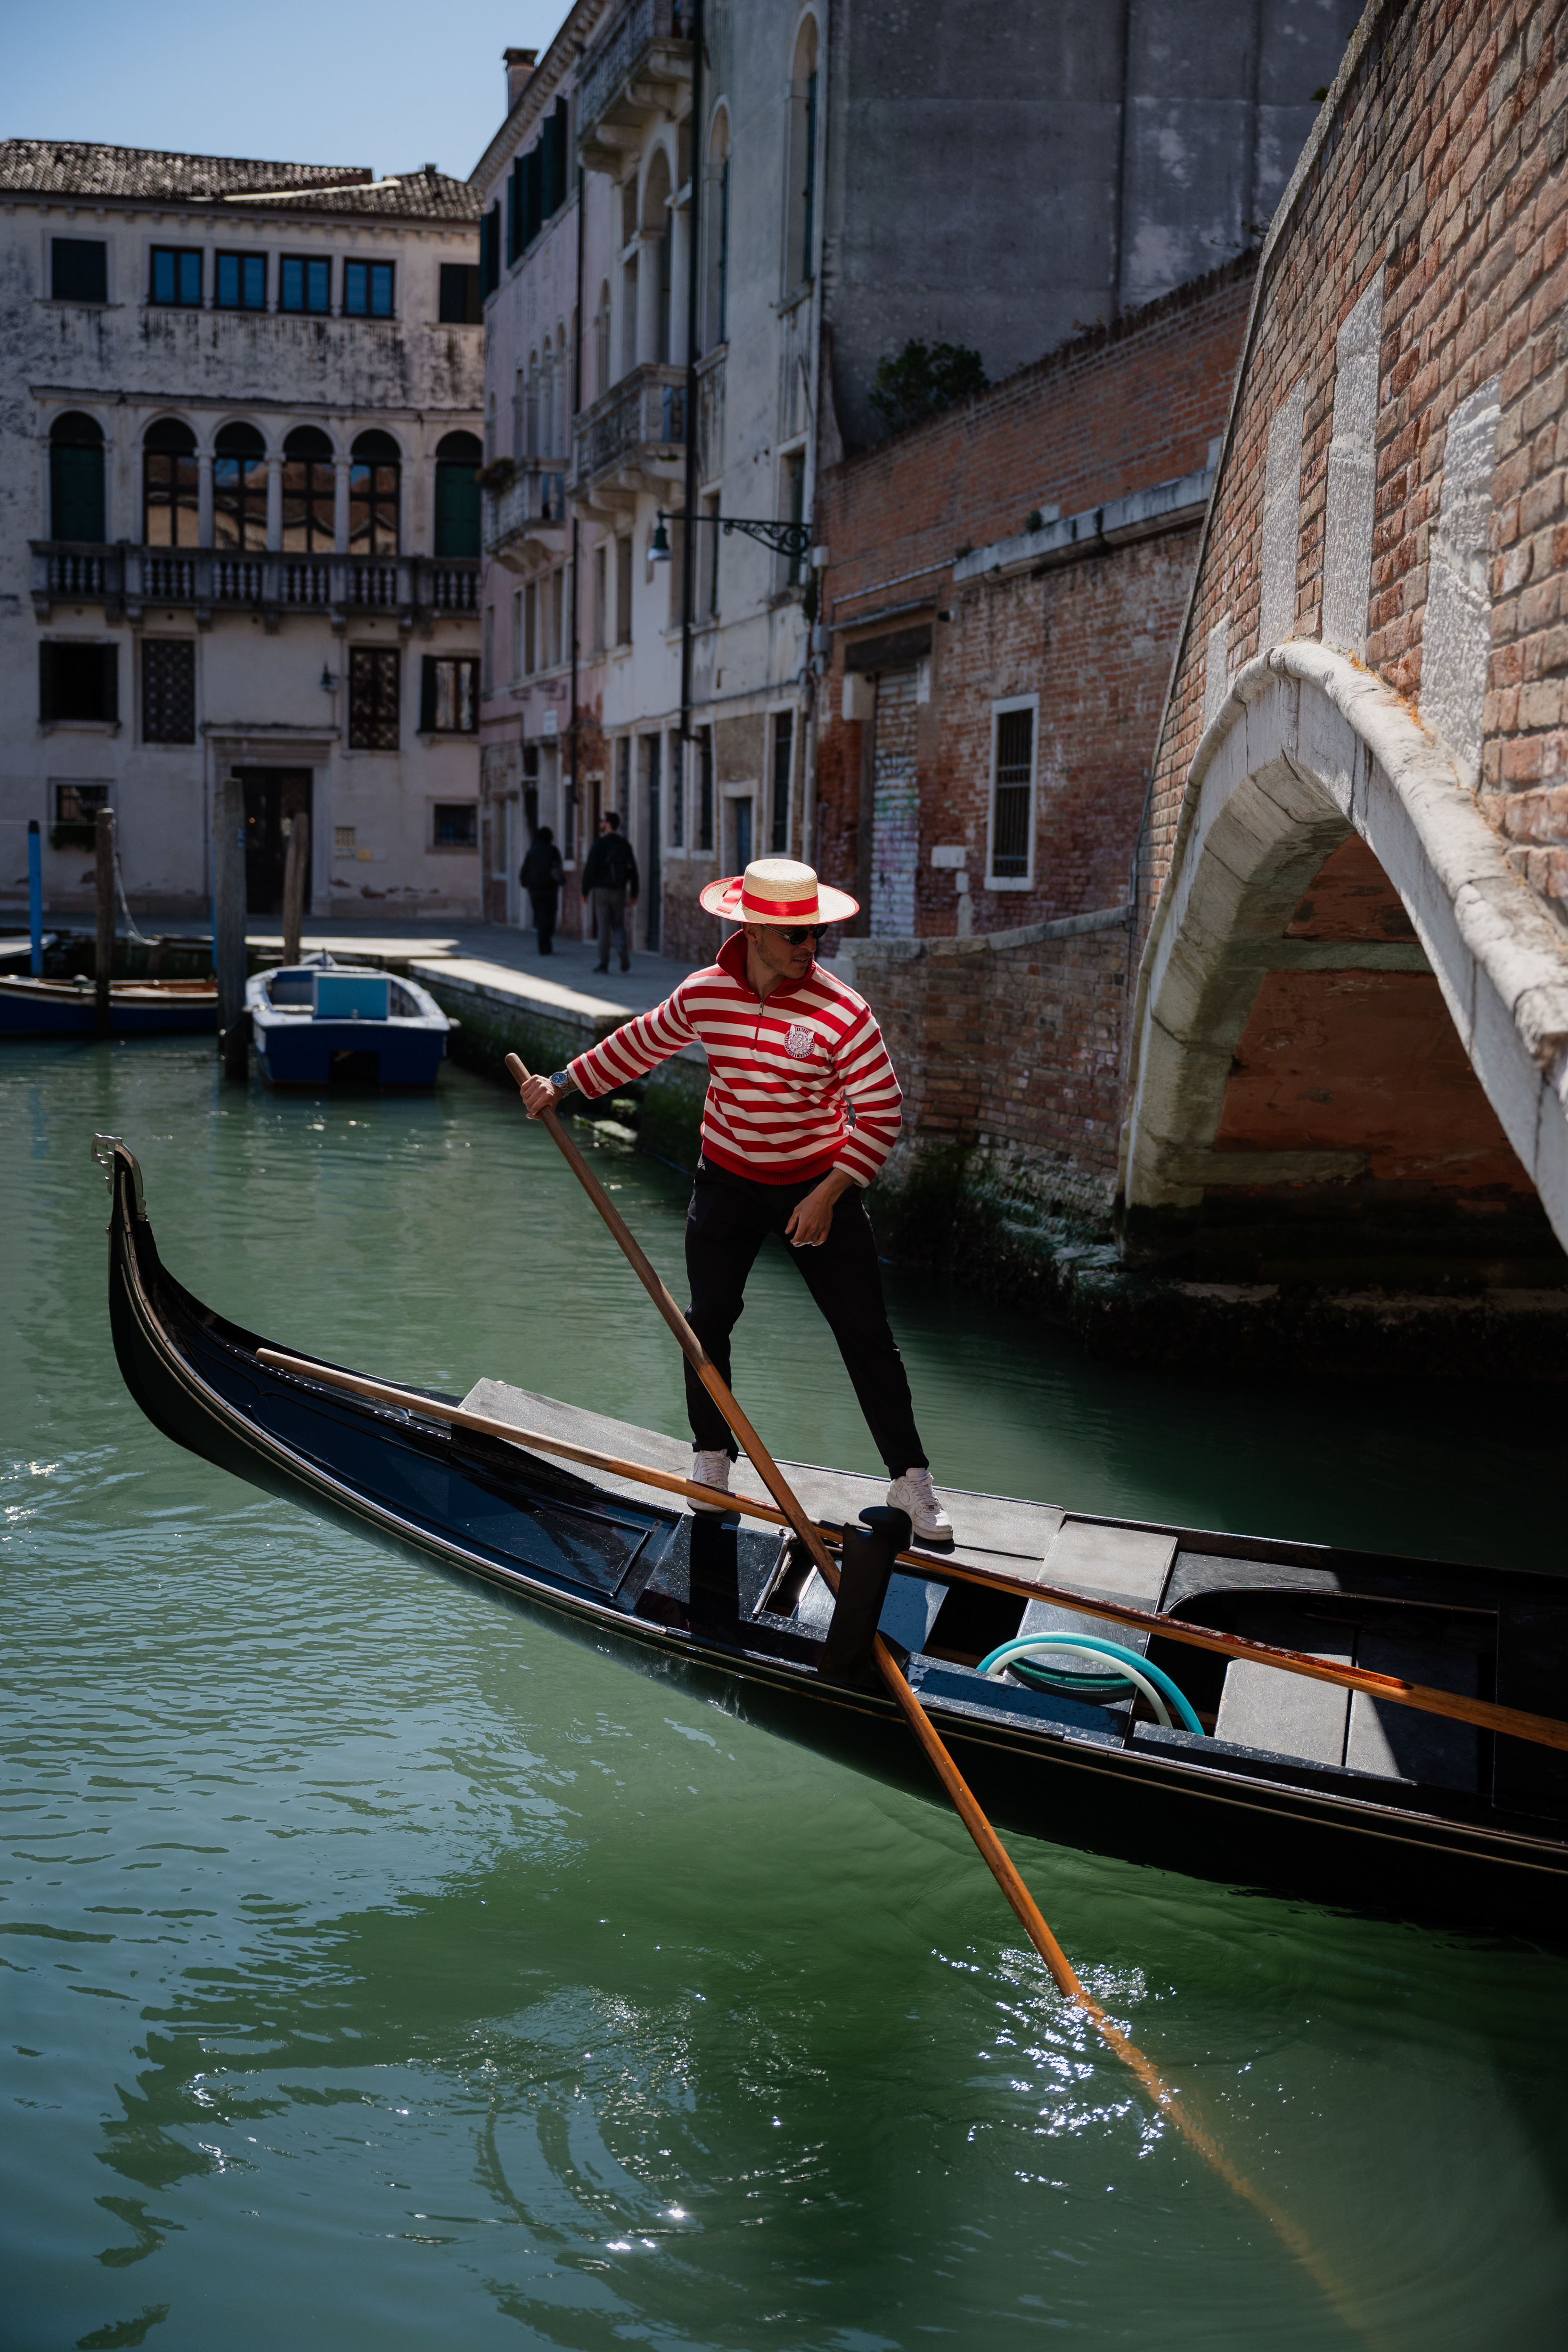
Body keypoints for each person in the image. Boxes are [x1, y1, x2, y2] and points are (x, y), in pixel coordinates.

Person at [517, 857, 953, 1547]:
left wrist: (827, 1196)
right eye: (796, 936)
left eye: (816, 934)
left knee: (867, 1334)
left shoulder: (845, 1011)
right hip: (727, 1177)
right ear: (754, 929)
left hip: (818, 1183)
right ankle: (713, 1462)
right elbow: (638, 1044)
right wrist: (562, 1082)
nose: (811, 948)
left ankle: (911, 1479)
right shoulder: (705, 994)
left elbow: (880, 1116)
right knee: (707, 1323)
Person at [579, 810, 640, 973]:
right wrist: (634, 892)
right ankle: (623, 955)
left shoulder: (600, 844)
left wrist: (585, 891)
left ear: (608, 824)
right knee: (619, 925)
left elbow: (591, 869)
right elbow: (633, 870)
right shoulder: (624, 844)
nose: (600, 824)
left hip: (601, 891)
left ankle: (603, 963)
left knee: (604, 927)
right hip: (619, 890)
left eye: (602, 821)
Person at [519, 825, 563, 956]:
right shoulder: (553, 851)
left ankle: (543, 944)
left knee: (541, 917)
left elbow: (524, 870)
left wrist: (524, 882)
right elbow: (558, 870)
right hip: (550, 890)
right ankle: (546, 943)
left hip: (536, 891)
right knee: (549, 917)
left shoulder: (532, 852)